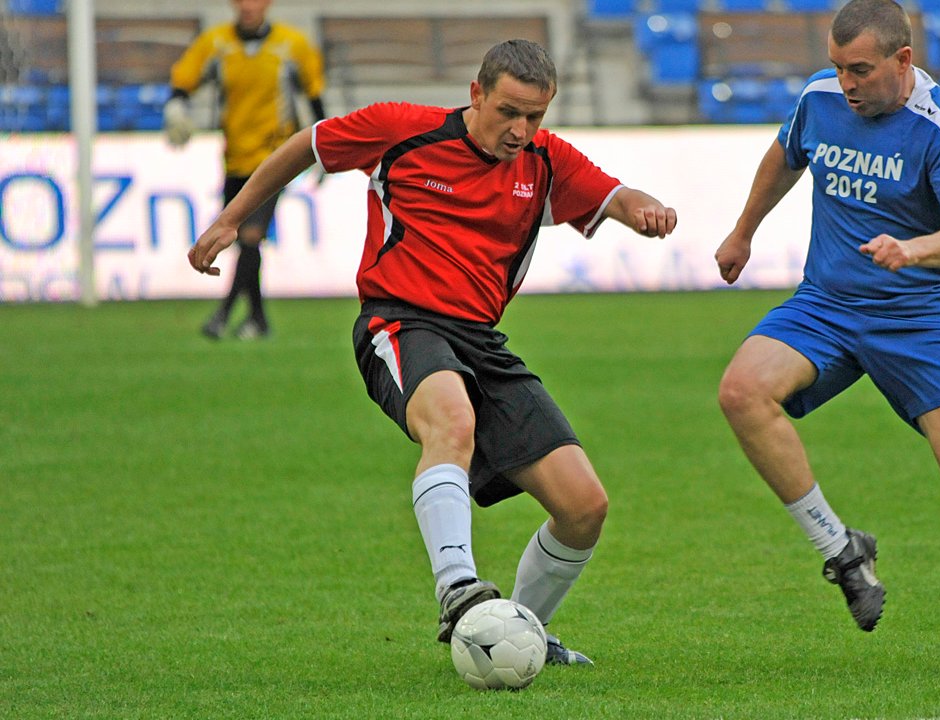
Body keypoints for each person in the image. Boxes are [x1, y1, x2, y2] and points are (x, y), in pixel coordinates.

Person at [188, 39, 677, 666]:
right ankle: (457, 590)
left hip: (481, 341)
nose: (520, 130)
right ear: (476, 95)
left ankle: (521, 630)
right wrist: (233, 217)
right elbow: (307, 144)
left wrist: (647, 212)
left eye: (535, 116)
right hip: (398, 322)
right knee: (452, 422)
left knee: (584, 507)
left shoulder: (545, 161)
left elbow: (614, 196)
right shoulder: (402, 131)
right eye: (509, 112)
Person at [714, 0, 940, 665]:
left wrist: (911, 250)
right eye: (837, 67)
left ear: (902, 61)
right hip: (826, 304)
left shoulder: (939, 126)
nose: (846, 82)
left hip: (915, 318)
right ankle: (841, 550)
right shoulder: (820, 99)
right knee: (742, 392)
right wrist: (744, 231)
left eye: (860, 69)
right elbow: (784, 154)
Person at [166, 0, 326, 340]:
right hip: (235, 158)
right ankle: (258, 319)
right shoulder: (216, 43)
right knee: (243, 242)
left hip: (275, 158)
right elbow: (185, 77)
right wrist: (176, 104)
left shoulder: (292, 45)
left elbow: (314, 97)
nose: (249, 6)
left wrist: (326, 147)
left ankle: (222, 315)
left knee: (250, 235)